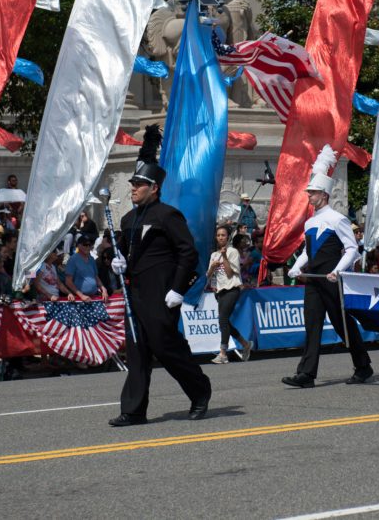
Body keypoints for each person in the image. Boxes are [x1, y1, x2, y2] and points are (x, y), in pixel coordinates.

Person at [109, 125, 211, 426]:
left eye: (139, 184)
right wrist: (119, 263)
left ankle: (199, 390)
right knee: (137, 353)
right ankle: (134, 410)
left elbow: (188, 253)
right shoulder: (128, 219)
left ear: (154, 188)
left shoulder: (168, 215)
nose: (133, 188)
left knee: (167, 349)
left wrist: (178, 289)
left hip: (163, 294)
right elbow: (129, 254)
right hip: (136, 294)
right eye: (133, 183)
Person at [283, 145, 373, 389]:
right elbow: (307, 251)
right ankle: (306, 374)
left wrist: (338, 271)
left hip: (332, 281)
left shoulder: (338, 219)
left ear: (323, 194)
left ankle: (363, 365)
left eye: (312, 193)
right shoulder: (311, 222)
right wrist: (297, 267)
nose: (308, 196)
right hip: (313, 281)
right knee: (312, 326)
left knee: (342, 324)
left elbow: (352, 248)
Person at [207, 224, 252, 364]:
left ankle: (223, 353)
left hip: (232, 289)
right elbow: (208, 276)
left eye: (223, 235)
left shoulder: (232, 252)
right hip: (219, 291)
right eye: (219, 235)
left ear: (228, 237)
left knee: (223, 319)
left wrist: (224, 256)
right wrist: (213, 267)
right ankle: (245, 344)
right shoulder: (213, 255)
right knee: (224, 322)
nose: (221, 237)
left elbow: (229, 272)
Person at [66, 235, 108, 301]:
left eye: (89, 245)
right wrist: (81, 295)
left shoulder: (91, 259)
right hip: (80, 299)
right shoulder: (73, 259)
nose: (88, 247)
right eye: (85, 245)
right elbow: (68, 281)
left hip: (94, 296)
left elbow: (96, 277)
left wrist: (103, 289)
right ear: (79, 246)